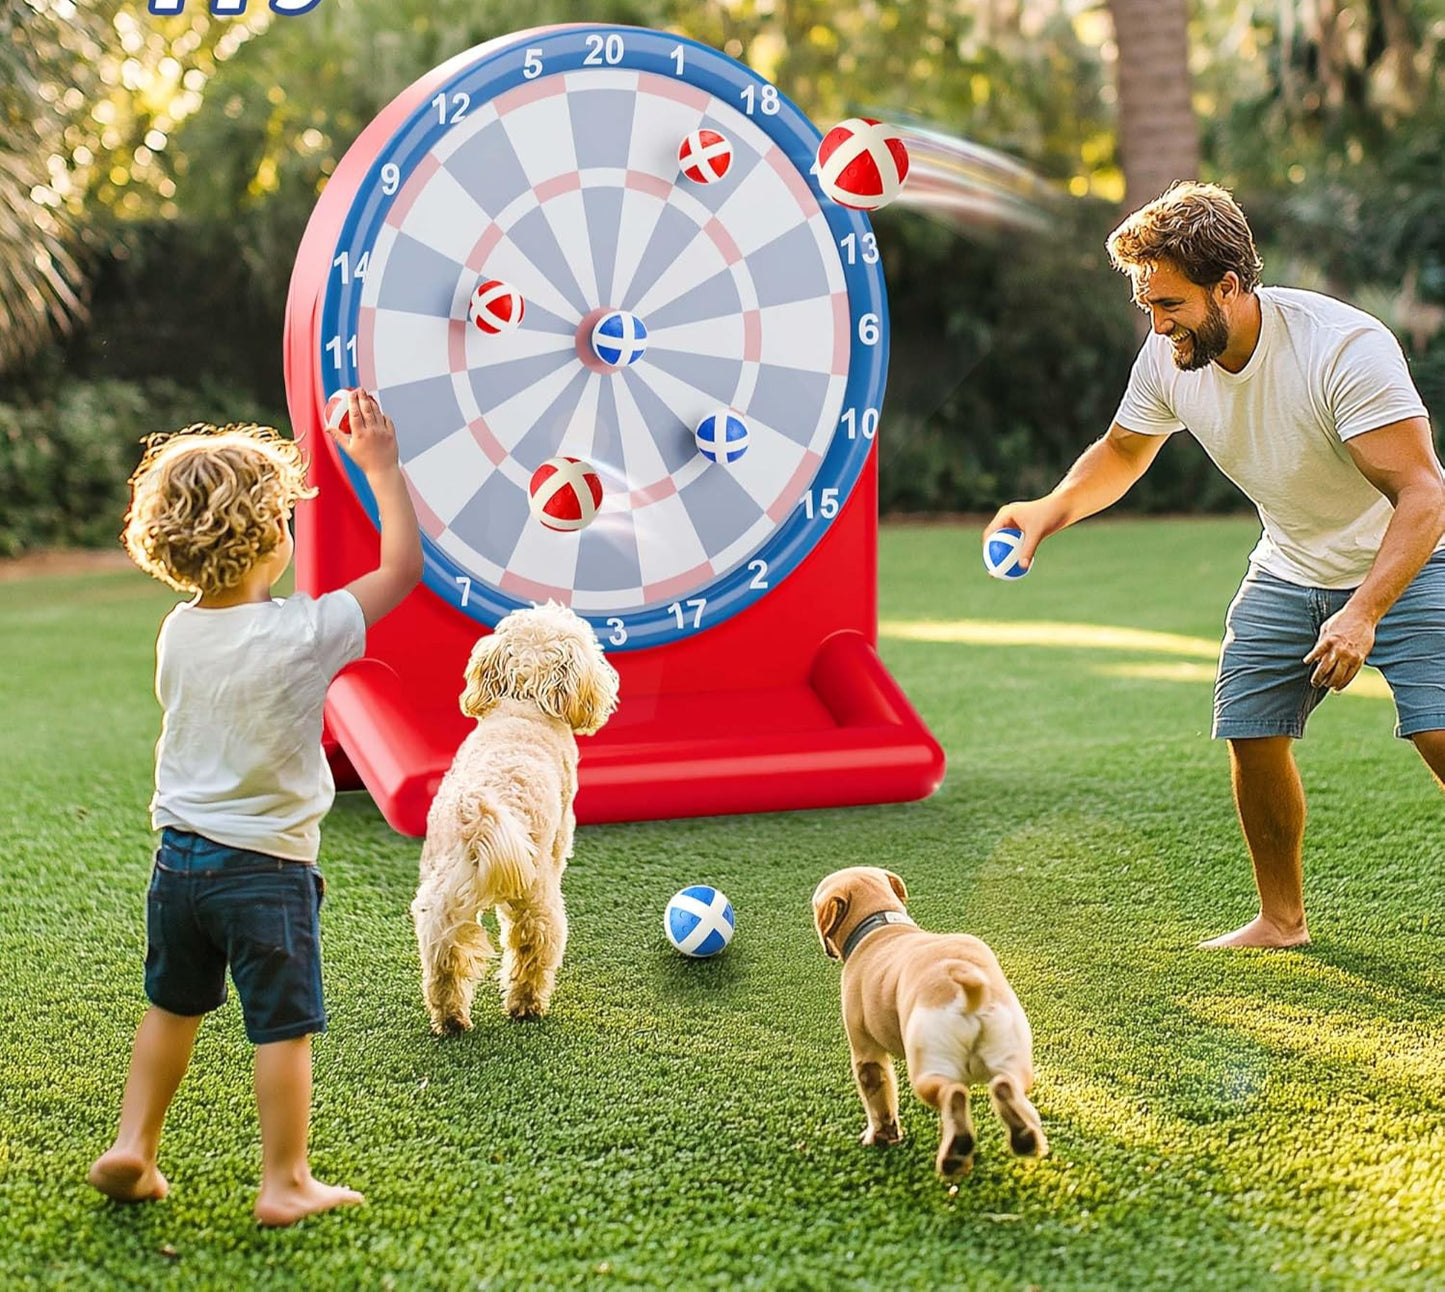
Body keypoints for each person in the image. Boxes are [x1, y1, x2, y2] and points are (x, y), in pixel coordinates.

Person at [989, 181, 1445, 950]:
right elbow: (1123, 451)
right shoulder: (1172, 357)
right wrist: (1048, 510)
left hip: (1407, 559)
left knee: (1437, 732)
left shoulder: (1340, 348)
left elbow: (1423, 494)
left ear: (1226, 287)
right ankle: (1280, 921)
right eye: (1147, 305)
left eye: (1168, 305)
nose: (1156, 323)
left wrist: (1363, 610)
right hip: (1290, 561)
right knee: (1251, 726)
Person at [88, 390, 422, 1224]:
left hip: (178, 865)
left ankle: (134, 1145)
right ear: (274, 535)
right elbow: (400, 573)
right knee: (282, 1029)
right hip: (265, 869)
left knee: (172, 1007)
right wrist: (380, 468)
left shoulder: (177, 630)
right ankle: (284, 1182)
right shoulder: (303, 634)